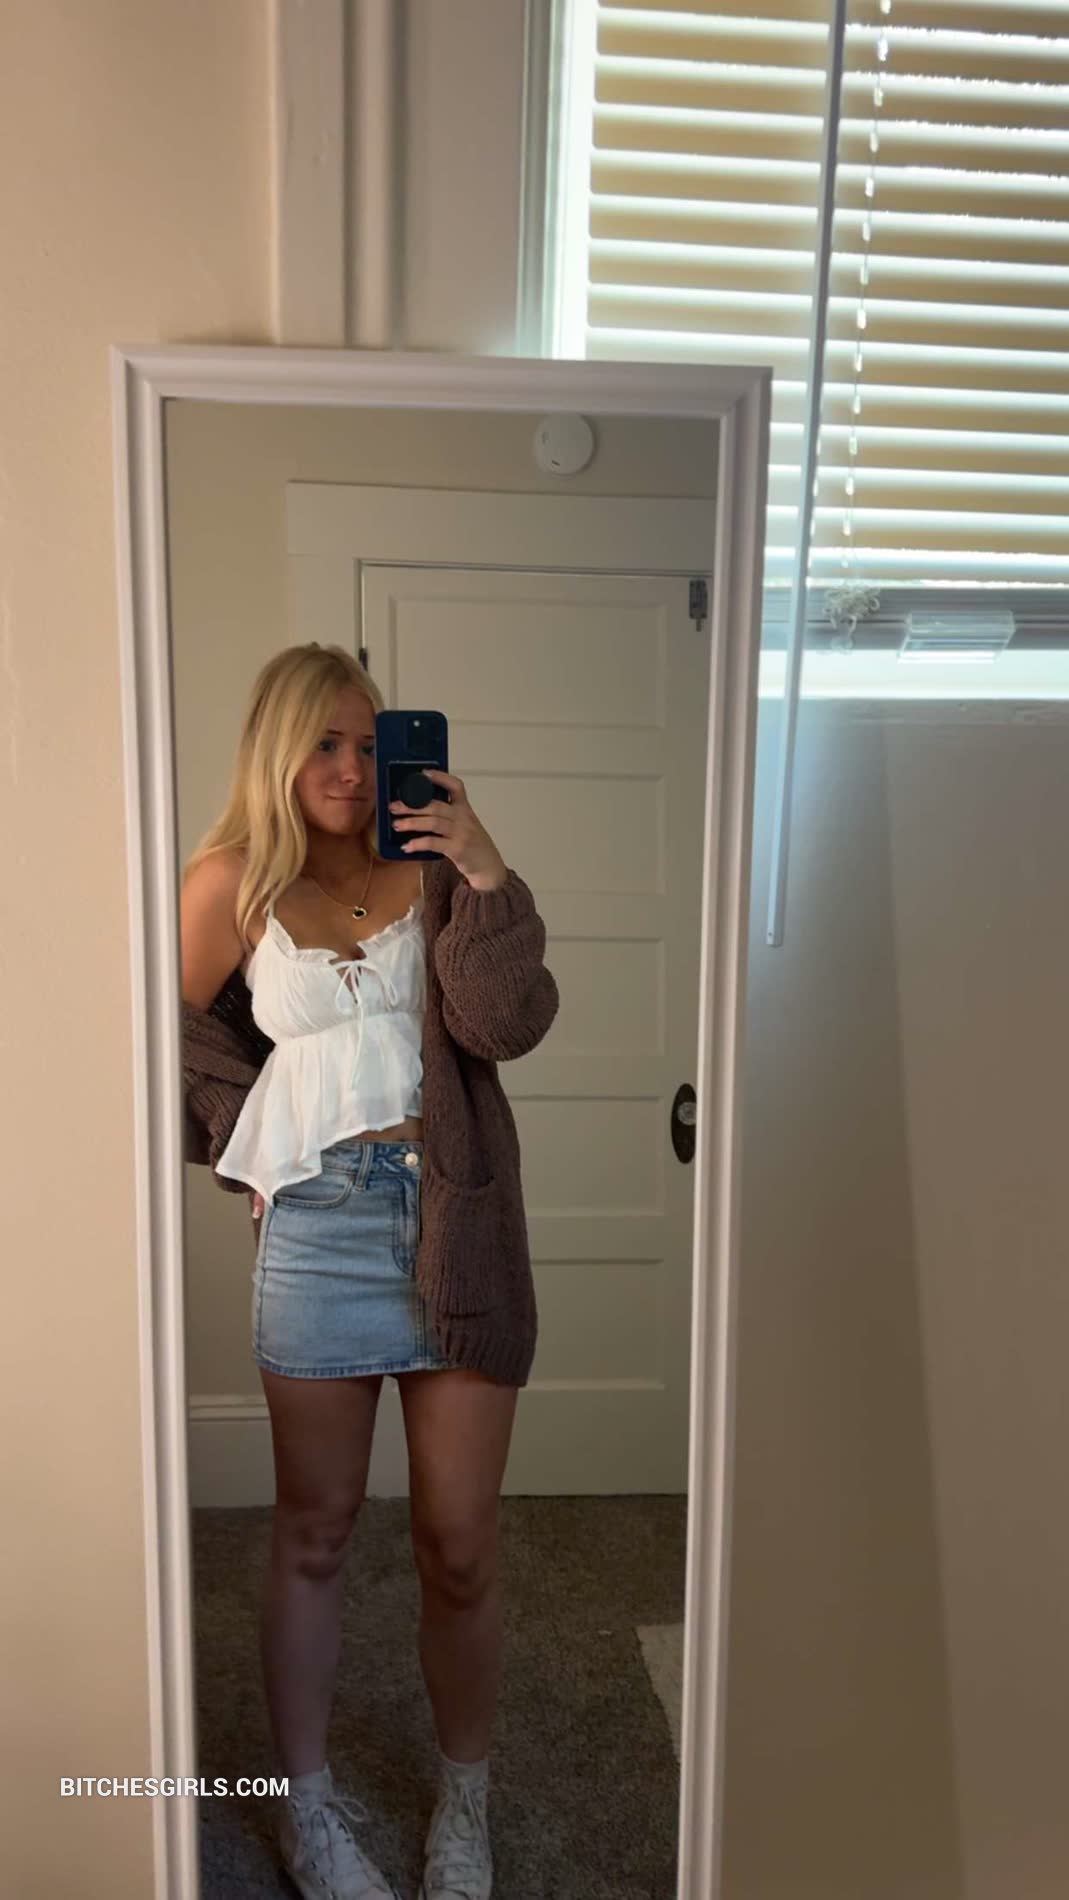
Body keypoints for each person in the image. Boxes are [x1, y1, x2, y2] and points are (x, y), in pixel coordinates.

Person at [180, 642, 559, 1900]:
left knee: (460, 1543)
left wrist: (485, 865)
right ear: (276, 751)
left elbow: (502, 1023)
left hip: (455, 1213)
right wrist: (248, 1137)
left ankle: (465, 1802)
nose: (349, 768)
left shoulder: (441, 869)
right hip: (318, 1229)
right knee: (315, 1532)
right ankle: (307, 1811)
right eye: (323, 744)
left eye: (366, 740)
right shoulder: (231, 882)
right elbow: (167, 1037)